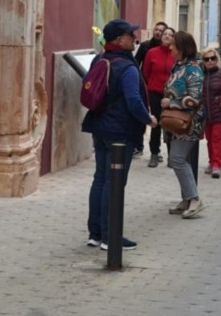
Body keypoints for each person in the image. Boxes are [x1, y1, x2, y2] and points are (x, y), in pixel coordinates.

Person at [83, 19, 157, 251]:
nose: (135, 39)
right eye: (129, 35)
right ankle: (110, 236)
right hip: (119, 131)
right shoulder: (127, 67)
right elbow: (133, 101)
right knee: (114, 183)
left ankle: (95, 233)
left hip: (100, 126)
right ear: (118, 39)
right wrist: (149, 119)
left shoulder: (100, 58)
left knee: (100, 178)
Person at [162, 31, 207, 219]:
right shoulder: (178, 66)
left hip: (189, 121)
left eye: (173, 45)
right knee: (182, 160)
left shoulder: (194, 69)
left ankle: (195, 199)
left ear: (182, 47)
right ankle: (186, 198)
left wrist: (171, 103)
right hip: (176, 120)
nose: (170, 47)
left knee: (177, 159)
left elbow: (195, 99)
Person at [141, 27, 176, 168]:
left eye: (170, 34)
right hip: (155, 92)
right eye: (164, 34)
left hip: (172, 93)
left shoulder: (176, 53)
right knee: (155, 123)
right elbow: (146, 72)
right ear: (160, 37)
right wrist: (152, 86)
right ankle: (154, 154)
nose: (167, 36)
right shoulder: (152, 52)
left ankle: (172, 156)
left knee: (170, 124)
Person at [200, 47, 221, 178]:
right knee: (209, 139)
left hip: (219, 112)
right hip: (205, 112)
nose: (210, 61)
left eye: (212, 58)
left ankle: (216, 165)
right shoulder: (201, 74)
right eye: (206, 59)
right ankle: (211, 161)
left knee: (217, 139)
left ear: (216, 59)